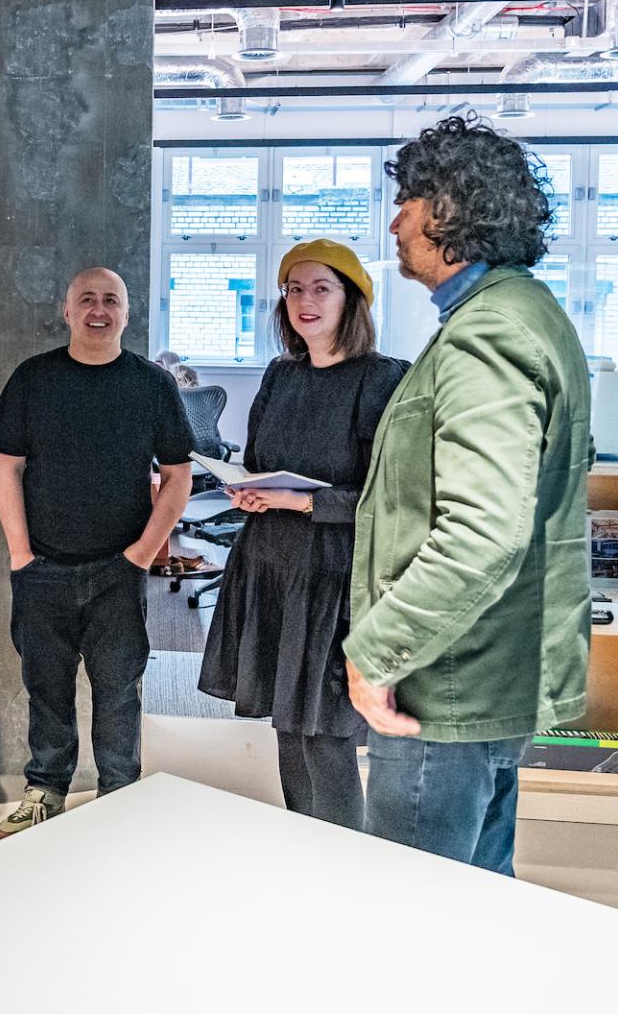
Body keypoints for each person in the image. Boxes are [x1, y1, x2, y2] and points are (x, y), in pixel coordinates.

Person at [345, 116, 592, 876]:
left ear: (454, 209)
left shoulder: (491, 332)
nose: (395, 220)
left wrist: (374, 654)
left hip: (445, 688)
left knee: (420, 918)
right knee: (479, 903)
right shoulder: (519, 312)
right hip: (480, 672)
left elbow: (483, 532)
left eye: (410, 200)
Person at [198, 240, 406, 830]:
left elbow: (392, 498)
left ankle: (345, 859)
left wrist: (298, 499)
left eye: (322, 288)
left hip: (334, 574)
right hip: (270, 562)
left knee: (326, 731)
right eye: (294, 289)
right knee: (288, 725)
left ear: (353, 300)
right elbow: (260, 459)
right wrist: (247, 488)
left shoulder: (385, 379)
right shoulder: (279, 374)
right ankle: (303, 846)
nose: (305, 301)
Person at [0, 267, 195, 839]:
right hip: (43, 568)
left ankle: (119, 797)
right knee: (46, 687)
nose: (98, 310)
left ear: (127, 313)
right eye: (87, 300)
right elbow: (7, 469)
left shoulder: (153, 386)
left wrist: (142, 555)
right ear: (67, 309)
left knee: (118, 689)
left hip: (117, 570)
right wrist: (21, 555)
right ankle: (46, 789)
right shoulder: (34, 379)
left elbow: (179, 477)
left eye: (111, 301)